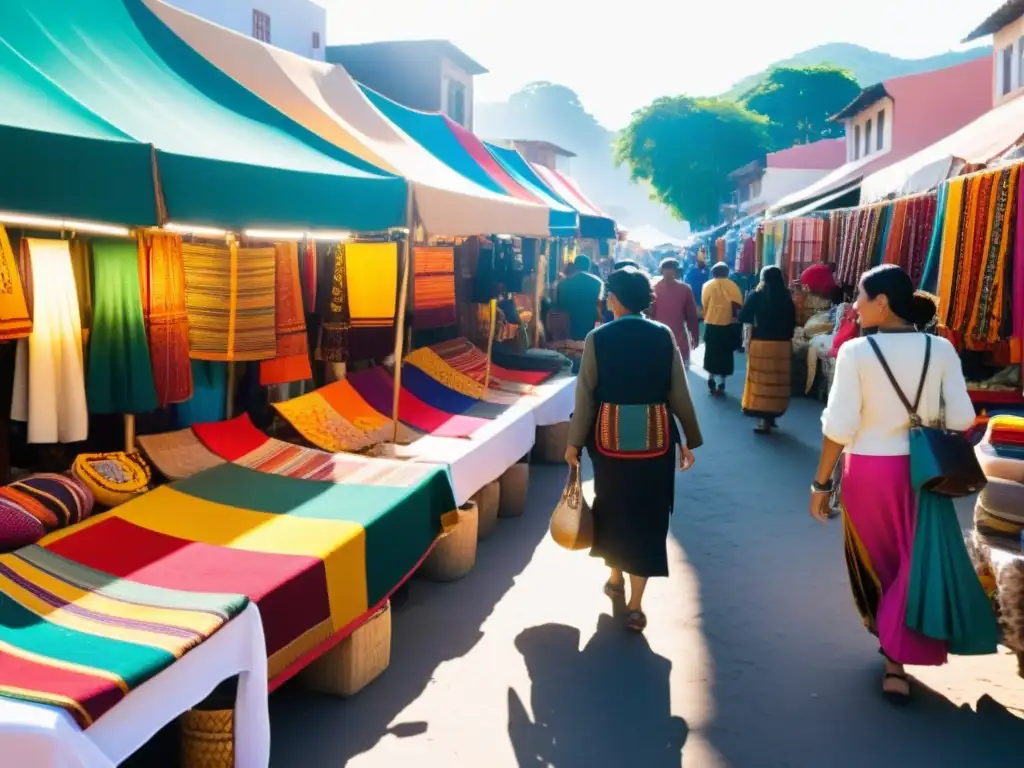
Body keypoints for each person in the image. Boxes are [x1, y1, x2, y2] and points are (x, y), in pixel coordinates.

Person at [811, 264, 976, 701]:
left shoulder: (856, 353)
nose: (855, 306)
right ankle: (899, 654)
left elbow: (839, 426)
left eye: (861, 297)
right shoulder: (940, 349)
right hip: (926, 472)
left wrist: (820, 484)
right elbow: (962, 419)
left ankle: (894, 657)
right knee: (914, 558)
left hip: (870, 473)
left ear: (882, 303)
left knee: (880, 563)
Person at [565, 268, 703, 633]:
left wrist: (574, 443)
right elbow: (678, 390)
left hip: (610, 443)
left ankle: (615, 577)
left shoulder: (598, 337)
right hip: (655, 441)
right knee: (649, 514)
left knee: (612, 506)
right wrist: (690, 437)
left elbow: (586, 395)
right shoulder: (663, 335)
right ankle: (636, 607)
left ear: (614, 298)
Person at [738, 265, 797, 433]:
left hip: (761, 344)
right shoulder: (787, 297)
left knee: (761, 382)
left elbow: (743, 316)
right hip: (782, 346)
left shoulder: (757, 295)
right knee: (777, 382)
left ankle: (764, 420)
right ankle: (771, 416)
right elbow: (793, 321)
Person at [700, 262, 744, 395]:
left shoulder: (708, 285)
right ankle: (722, 382)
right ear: (727, 273)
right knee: (726, 353)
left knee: (711, 352)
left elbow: (704, 303)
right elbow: (739, 304)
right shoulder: (733, 286)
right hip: (728, 324)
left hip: (712, 323)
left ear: (713, 273)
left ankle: (711, 377)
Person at [651, 258, 700, 365]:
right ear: (662, 271)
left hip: (675, 341)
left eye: (671, 269)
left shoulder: (685, 289)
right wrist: (695, 337)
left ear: (676, 272)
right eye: (666, 269)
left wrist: (695, 336)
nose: (668, 272)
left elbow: (691, 316)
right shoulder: (654, 290)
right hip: (661, 340)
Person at [555, 254, 603, 341]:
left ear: (575, 265)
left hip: (568, 325)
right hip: (589, 324)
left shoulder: (563, 283)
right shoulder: (598, 283)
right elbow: (599, 306)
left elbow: (558, 306)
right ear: (589, 267)